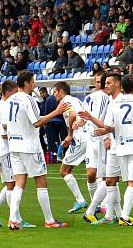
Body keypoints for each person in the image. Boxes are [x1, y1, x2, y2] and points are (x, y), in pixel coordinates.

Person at [80, 73, 133, 226]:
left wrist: (104, 130)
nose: (105, 85)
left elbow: (108, 126)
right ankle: (123, 216)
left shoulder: (114, 103)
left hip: (121, 146)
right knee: (131, 182)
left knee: (132, 182)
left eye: (108, 83)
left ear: (119, 84)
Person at [6, 70, 70, 230]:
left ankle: (13, 219)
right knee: (41, 181)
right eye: (33, 82)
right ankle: (49, 220)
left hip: (14, 145)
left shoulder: (10, 99)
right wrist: (57, 112)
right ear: (27, 83)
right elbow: (36, 122)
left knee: (19, 182)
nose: (34, 85)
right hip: (29, 146)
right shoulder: (28, 100)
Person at [0, 80, 37, 229]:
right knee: (12, 185)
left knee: (14, 182)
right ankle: (15, 218)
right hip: (5, 150)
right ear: (8, 92)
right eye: (15, 92)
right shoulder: (4, 107)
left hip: (1, 150)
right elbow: (4, 133)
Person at [80, 72, 114, 223]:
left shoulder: (106, 98)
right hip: (99, 139)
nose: (101, 84)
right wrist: (106, 137)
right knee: (108, 177)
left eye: (104, 82)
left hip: (98, 138)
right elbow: (98, 120)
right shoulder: (100, 97)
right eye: (99, 81)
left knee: (111, 177)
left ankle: (111, 213)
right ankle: (94, 209)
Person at [52, 81, 89, 214]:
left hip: (80, 139)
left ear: (61, 91)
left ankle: (80, 200)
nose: (54, 95)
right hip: (87, 137)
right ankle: (99, 203)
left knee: (64, 171)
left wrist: (70, 135)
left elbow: (73, 115)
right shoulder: (76, 100)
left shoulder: (65, 101)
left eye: (55, 92)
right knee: (94, 172)